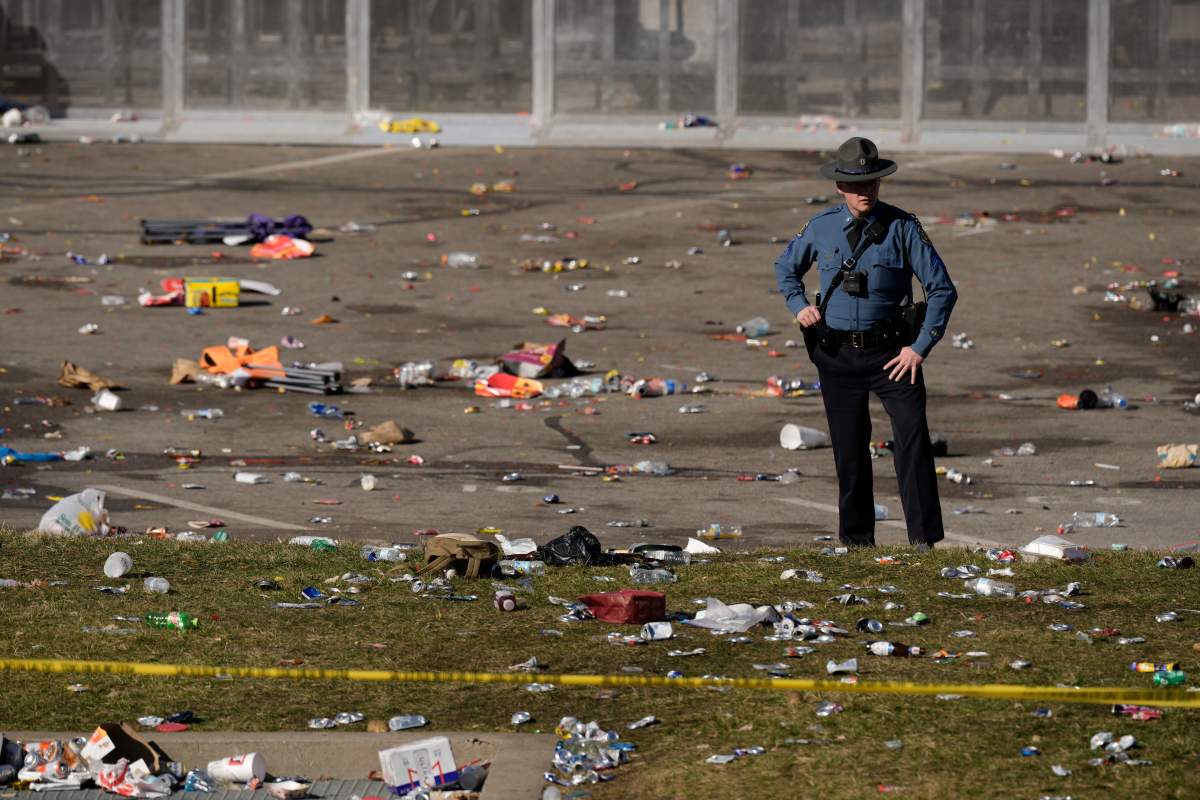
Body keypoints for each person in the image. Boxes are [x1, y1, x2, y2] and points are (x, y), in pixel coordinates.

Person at [773, 137, 958, 549]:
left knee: (912, 442)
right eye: (856, 184)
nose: (865, 191)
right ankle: (857, 542)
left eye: (872, 182)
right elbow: (786, 268)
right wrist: (798, 305)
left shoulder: (903, 227)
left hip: (894, 356)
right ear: (840, 186)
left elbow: (942, 290)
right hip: (836, 356)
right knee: (849, 451)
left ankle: (924, 539)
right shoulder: (821, 227)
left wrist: (920, 347)